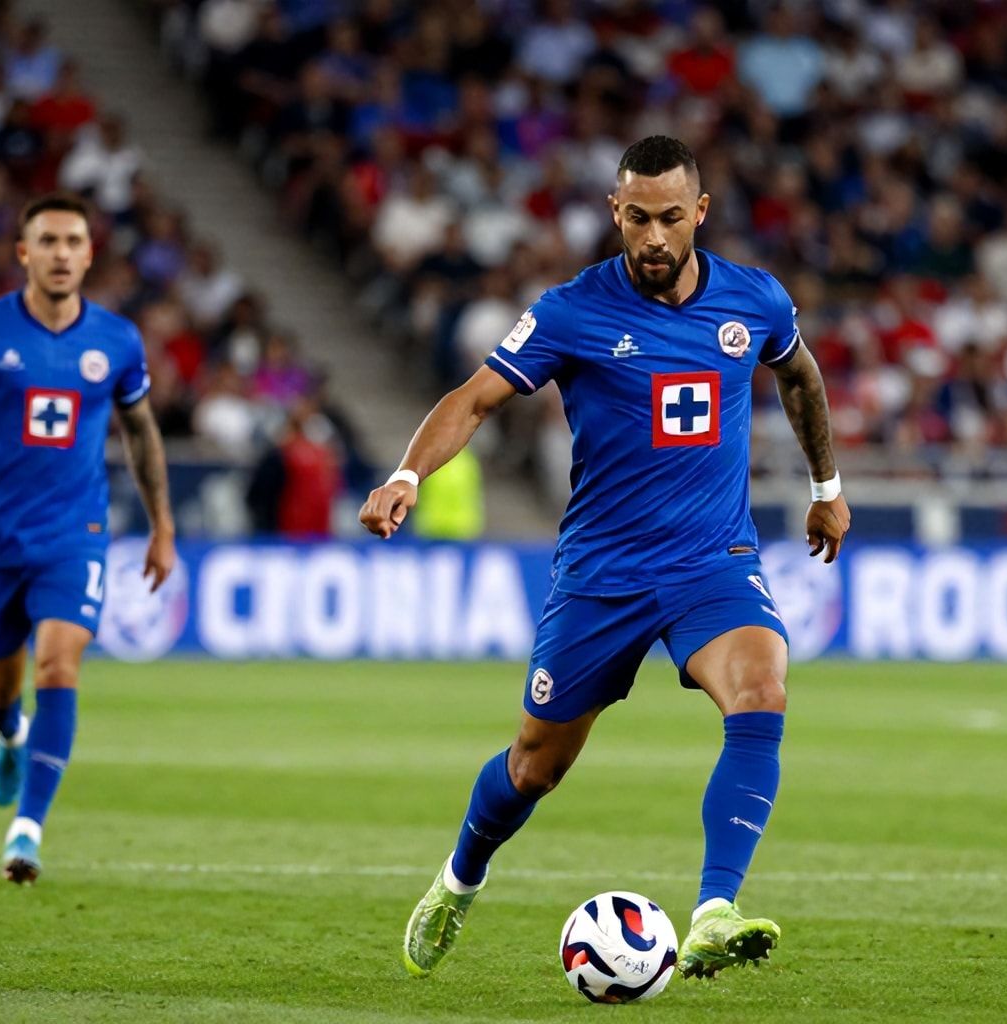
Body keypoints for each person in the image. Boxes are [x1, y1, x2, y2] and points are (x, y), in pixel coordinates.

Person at [359, 136, 850, 980]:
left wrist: (826, 484)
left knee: (762, 687)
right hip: (602, 574)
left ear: (699, 212)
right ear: (614, 214)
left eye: (668, 218)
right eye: (636, 218)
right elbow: (475, 399)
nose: (652, 237)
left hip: (712, 560)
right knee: (534, 766)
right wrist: (407, 472)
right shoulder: (570, 311)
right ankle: (459, 876)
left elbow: (798, 376)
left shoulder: (755, 301)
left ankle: (713, 912)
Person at [0, 193, 176, 884]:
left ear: (90, 254)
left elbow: (141, 432)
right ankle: (10, 733)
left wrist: (162, 525)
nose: (61, 253)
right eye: (48, 241)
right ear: (24, 252)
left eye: (73, 242)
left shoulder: (117, 340)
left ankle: (26, 831)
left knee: (59, 666)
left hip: (75, 536)